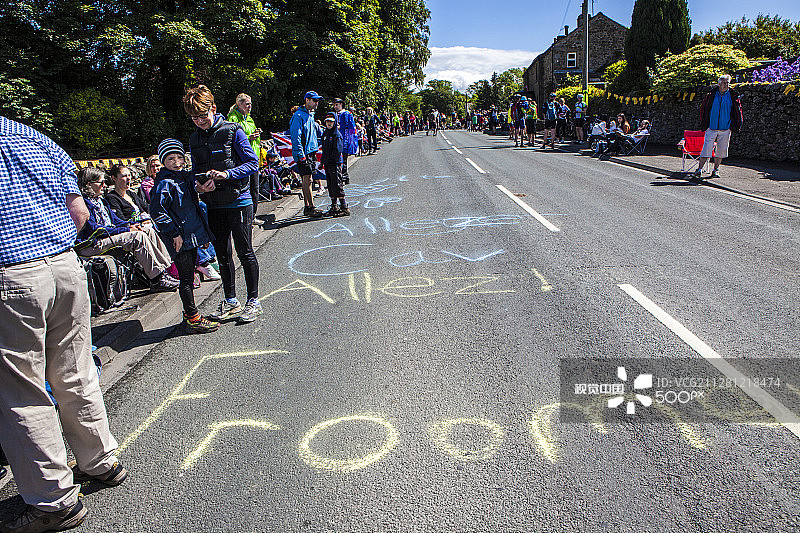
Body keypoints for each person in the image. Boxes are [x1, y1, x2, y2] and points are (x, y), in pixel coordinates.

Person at [0, 116, 126, 533]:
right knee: (75, 368)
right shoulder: (31, 136)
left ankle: (53, 500)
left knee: (22, 391)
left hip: (12, 275)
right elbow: (79, 212)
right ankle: (100, 460)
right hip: (64, 265)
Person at [184, 84, 262, 323]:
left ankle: (253, 301)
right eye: (194, 118)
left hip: (239, 201)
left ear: (213, 108)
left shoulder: (233, 130)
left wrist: (227, 174)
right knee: (222, 255)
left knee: (245, 251)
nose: (199, 121)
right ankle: (231, 300)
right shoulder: (194, 138)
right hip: (214, 203)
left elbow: (252, 163)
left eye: (202, 115)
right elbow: (195, 170)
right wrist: (198, 185)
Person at [150, 139, 220, 333]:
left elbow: (194, 209)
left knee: (190, 277)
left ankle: (189, 315)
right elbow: (157, 212)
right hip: (179, 239)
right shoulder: (164, 183)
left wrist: (203, 237)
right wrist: (174, 234)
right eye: (170, 159)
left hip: (191, 236)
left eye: (179, 157)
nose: (176, 162)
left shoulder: (184, 177)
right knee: (186, 279)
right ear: (163, 161)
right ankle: (193, 318)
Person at [75, 167, 180, 292]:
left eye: (104, 182)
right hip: (93, 243)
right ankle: (157, 279)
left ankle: (169, 269)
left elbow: (115, 221)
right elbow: (95, 229)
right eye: (101, 182)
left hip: (107, 236)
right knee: (137, 237)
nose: (104, 185)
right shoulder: (83, 203)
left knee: (147, 230)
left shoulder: (100, 201)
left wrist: (133, 225)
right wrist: (126, 229)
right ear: (89, 184)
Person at [695, 74, 743, 178]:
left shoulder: (732, 96)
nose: (726, 85)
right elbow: (704, 109)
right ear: (719, 84)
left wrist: (734, 126)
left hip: (725, 128)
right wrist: (705, 123)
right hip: (711, 127)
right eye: (724, 83)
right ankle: (699, 169)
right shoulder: (712, 95)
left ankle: (716, 170)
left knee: (721, 150)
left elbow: (737, 111)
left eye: (727, 83)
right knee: (706, 149)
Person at [289, 91, 325, 217]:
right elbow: (296, 136)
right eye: (314, 100)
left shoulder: (310, 114)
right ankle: (310, 207)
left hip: (310, 151)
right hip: (304, 152)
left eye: (317, 101)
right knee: (307, 179)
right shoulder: (299, 115)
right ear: (307, 100)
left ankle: (309, 206)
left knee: (309, 179)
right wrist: (300, 154)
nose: (316, 103)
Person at [227, 93, 262, 206]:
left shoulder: (250, 119)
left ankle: (254, 213)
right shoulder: (233, 118)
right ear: (239, 104)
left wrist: (257, 134)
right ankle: (248, 213)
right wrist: (248, 137)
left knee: (255, 188)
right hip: (242, 158)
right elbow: (232, 138)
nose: (250, 106)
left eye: (250, 104)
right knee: (246, 188)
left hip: (253, 156)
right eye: (247, 104)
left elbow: (254, 138)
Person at [320, 112, 349, 217]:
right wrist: (322, 161)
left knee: (337, 184)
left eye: (331, 122)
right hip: (327, 163)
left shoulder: (336, 135)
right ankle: (334, 206)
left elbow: (338, 150)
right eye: (327, 121)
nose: (329, 123)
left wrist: (332, 160)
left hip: (334, 163)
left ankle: (344, 207)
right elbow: (324, 150)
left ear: (335, 122)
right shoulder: (325, 134)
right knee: (330, 184)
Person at [332, 97, 358, 185]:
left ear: (341, 105)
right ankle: (340, 176)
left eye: (337, 105)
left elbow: (351, 127)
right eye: (334, 105)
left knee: (343, 159)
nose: (335, 107)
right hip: (336, 139)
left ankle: (344, 176)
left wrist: (351, 141)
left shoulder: (347, 114)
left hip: (344, 139)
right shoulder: (334, 114)